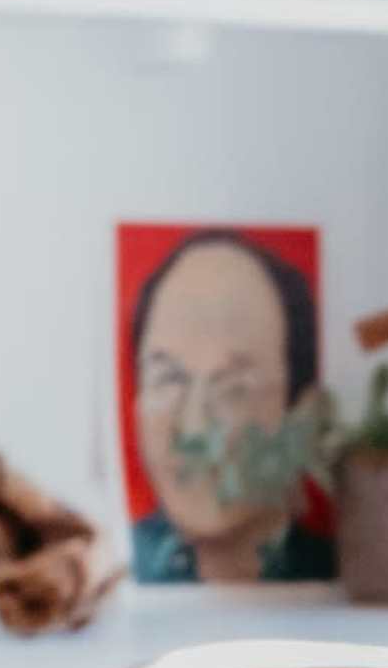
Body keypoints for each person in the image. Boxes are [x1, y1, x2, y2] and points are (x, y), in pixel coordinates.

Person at [122, 229, 331, 584]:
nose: (193, 428)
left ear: (302, 415)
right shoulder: (112, 564)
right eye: (168, 379)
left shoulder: (332, 573)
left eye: (234, 389)